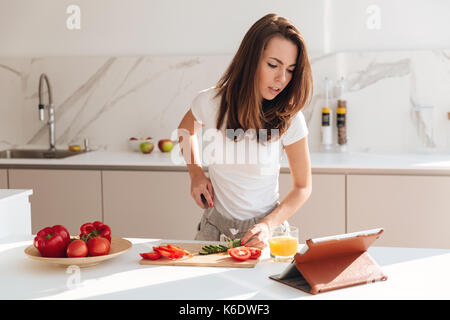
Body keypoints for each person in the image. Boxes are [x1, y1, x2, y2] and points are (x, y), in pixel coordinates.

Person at [177, 13, 313, 249]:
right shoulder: (211, 102)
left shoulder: (289, 117)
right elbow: (185, 129)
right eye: (273, 65)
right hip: (215, 229)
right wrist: (196, 174)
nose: (282, 79)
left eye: (290, 70)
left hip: (266, 234)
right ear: (251, 60)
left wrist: (268, 225)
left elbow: (303, 187)